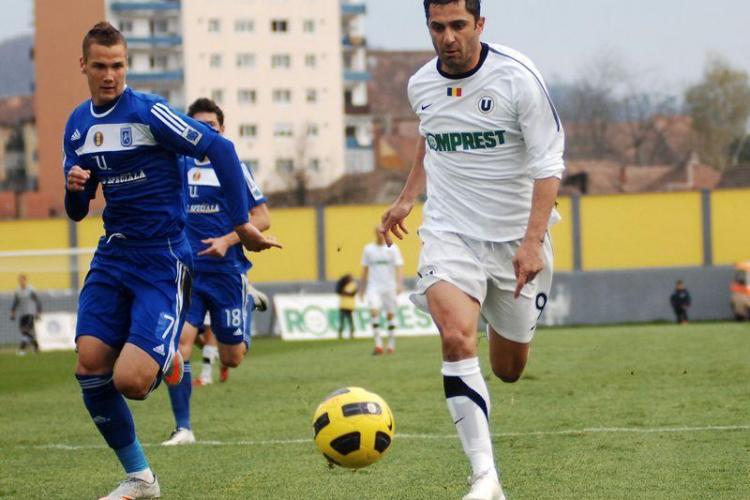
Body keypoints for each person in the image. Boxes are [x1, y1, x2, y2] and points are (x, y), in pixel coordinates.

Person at [64, 23, 280, 499]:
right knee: (89, 366)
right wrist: (74, 189)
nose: (109, 75)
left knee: (131, 382)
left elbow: (220, 147)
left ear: (127, 65)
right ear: (84, 65)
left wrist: (241, 224)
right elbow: (77, 211)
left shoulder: (149, 112)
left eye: (118, 65)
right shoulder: (78, 125)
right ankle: (141, 478)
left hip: (162, 258)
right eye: (100, 66)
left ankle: (166, 360)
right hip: (113, 254)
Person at [379, 1, 565, 498]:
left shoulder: (517, 78)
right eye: (437, 27)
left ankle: (495, 316)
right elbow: (429, 136)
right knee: (457, 338)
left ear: (480, 24)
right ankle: (485, 476)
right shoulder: (420, 84)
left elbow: (549, 165)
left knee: (508, 369)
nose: (448, 37)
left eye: (459, 25)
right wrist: (406, 198)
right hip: (450, 231)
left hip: (516, 241)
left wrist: (532, 243)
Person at [163, 98, 271, 445]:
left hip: (227, 272)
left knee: (232, 357)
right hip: (188, 273)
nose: (205, 130)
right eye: (198, 125)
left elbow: (262, 218)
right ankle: (184, 428)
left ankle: (246, 301)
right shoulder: (177, 165)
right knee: (178, 346)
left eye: (211, 125)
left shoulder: (233, 166)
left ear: (222, 129)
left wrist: (227, 240)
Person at [359, 228, 404, 354]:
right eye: (378, 232)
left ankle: (391, 343)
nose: (380, 234)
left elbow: (399, 267)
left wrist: (399, 284)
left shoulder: (393, 248)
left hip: (389, 287)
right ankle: (378, 344)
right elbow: (365, 269)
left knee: (390, 315)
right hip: (374, 286)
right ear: (375, 233)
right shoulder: (368, 249)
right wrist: (361, 289)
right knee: (374, 312)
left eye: (383, 232)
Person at [10, 274, 42, 355]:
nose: (21, 281)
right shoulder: (17, 291)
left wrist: (38, 312)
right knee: (24, 332)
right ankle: (36, 346)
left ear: (25, 280)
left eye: (22, 280)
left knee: (26, 331)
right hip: (22, 314)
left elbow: (37, 301)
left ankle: (22, 349)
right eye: (20, 280)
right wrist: (13, 312)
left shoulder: (30, 290)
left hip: (30, 313)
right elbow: (15, 302)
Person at [335, 274, 358, 339]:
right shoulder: (343, 285)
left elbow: (351, 293)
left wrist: (344, 293)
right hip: (343, 305)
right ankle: (340, 333)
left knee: (350, 320)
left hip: (349, 305)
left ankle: (351, 333)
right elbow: (339, 291)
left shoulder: (352, 285)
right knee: (342, 320)